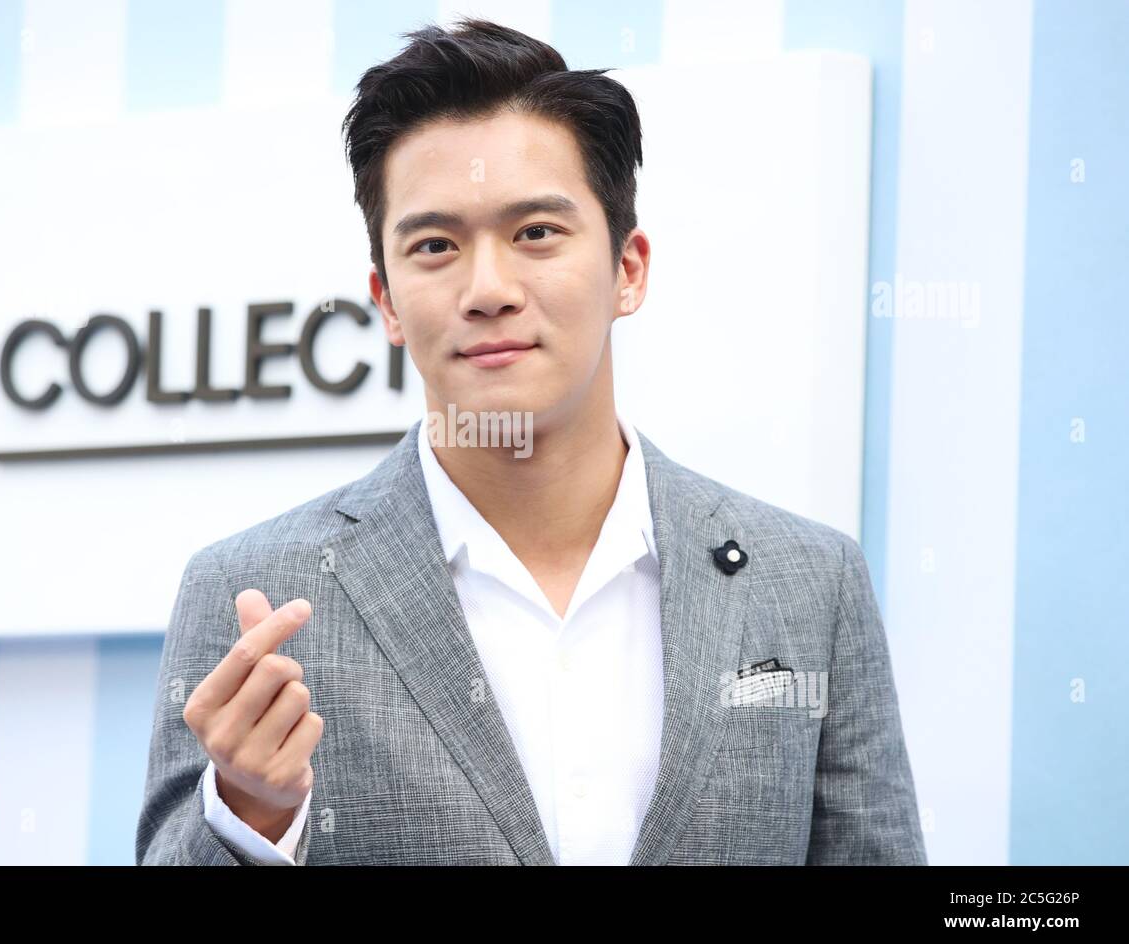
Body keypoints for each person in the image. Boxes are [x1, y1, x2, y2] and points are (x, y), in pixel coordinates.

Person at [136, 17, 927, 866]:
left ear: (629, 268)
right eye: (436, 245)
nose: (488, 288)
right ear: (389, 302)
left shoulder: (809, 586)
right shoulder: (251, 595)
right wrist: (251, 820)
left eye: (536, 233)